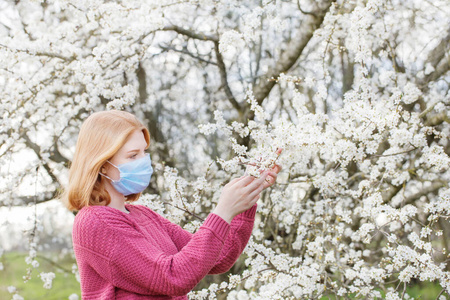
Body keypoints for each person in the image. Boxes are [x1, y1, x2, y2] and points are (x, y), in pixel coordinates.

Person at [63, 110, 281, 299]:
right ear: (101, 165)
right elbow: (172, 277)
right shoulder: (95, 222)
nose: (144, 161)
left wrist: (251, 186)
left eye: (144, 153)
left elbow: (219, 257)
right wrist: (222, 211)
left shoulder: (143, 215)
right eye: (132, 155)